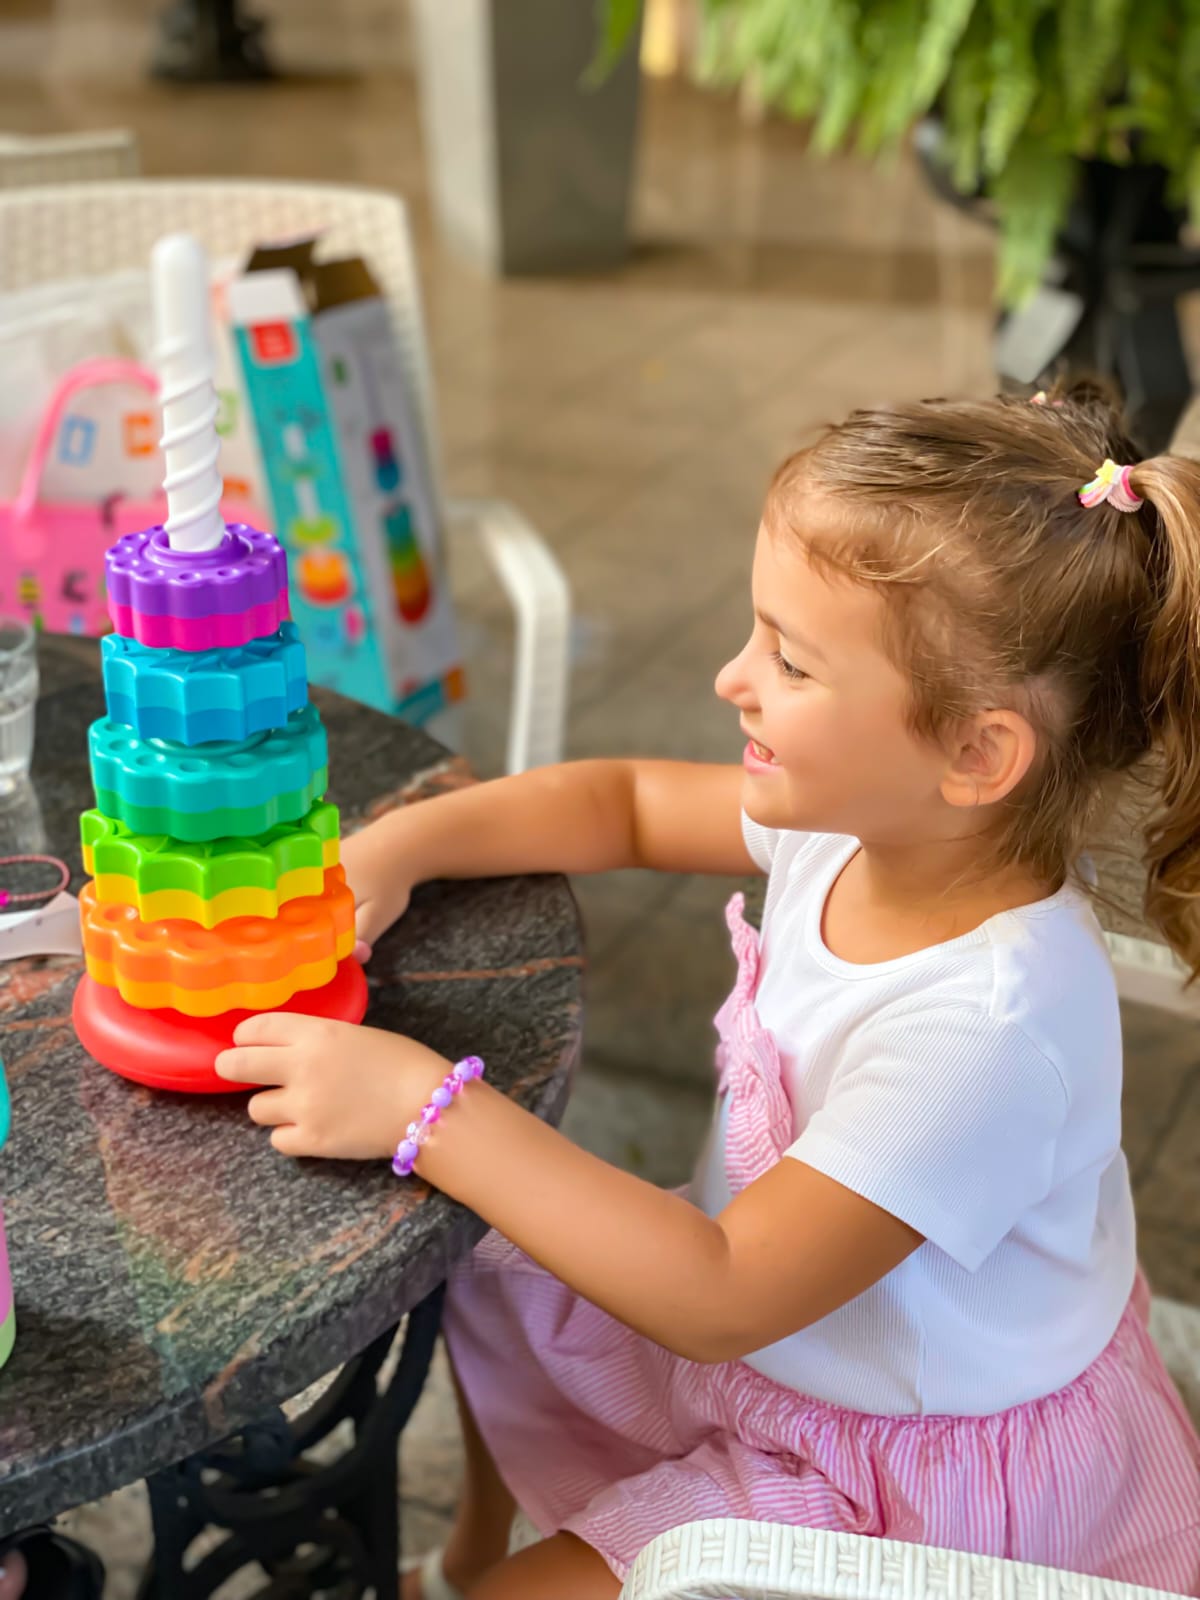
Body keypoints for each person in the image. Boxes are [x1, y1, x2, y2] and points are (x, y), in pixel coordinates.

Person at [217, 382, 1200, 1600]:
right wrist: (400, 848)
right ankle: (469, 1554)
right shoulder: (859, 826)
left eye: (789, 659)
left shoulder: (988, 1031)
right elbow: (622, 801)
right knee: (493, 1274)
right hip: (784, 1343)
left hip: (893, 1484)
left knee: (489, 1204)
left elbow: (723, 1290)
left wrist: (431, 1109)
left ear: (976, 753)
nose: (735, 677)